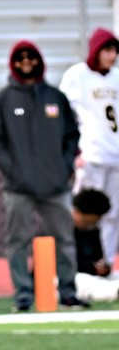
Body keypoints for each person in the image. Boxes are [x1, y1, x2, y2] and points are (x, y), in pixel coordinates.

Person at [0, 41, 85, 311]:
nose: (26, 62)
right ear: (13, 63)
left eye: (32, 58)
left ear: (40, 62)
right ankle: (24, 295)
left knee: (65, 239)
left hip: (56, 185)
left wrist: (63, 168)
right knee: (18, 241)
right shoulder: (3, 99)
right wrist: (14, 170)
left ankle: (68, 292)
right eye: (21, 58)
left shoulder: (55, 97)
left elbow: (72, 135)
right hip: (18, 188)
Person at [59, 28, 119, 268]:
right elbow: (65, 116)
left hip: (115, 156)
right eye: (107, 50)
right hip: (91, 155)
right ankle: (78, 263)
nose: (112, 56)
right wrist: (75, 150)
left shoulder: (116, 77)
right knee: (83, 213)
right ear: (96, 50)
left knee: (112, 214)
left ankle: (105, 262)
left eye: (115, 51)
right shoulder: (77, 76)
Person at [70, 189, 119, 301]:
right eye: (87, 222)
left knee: (115, 276)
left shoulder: (93, 230)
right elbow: (64, 265)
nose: (90, 225)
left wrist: (103, 268)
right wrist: (91, 267)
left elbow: (98, 258)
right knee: (82, 280)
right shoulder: (61, 231)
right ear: (77, 212)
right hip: (70, 277)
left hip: (92, 276)